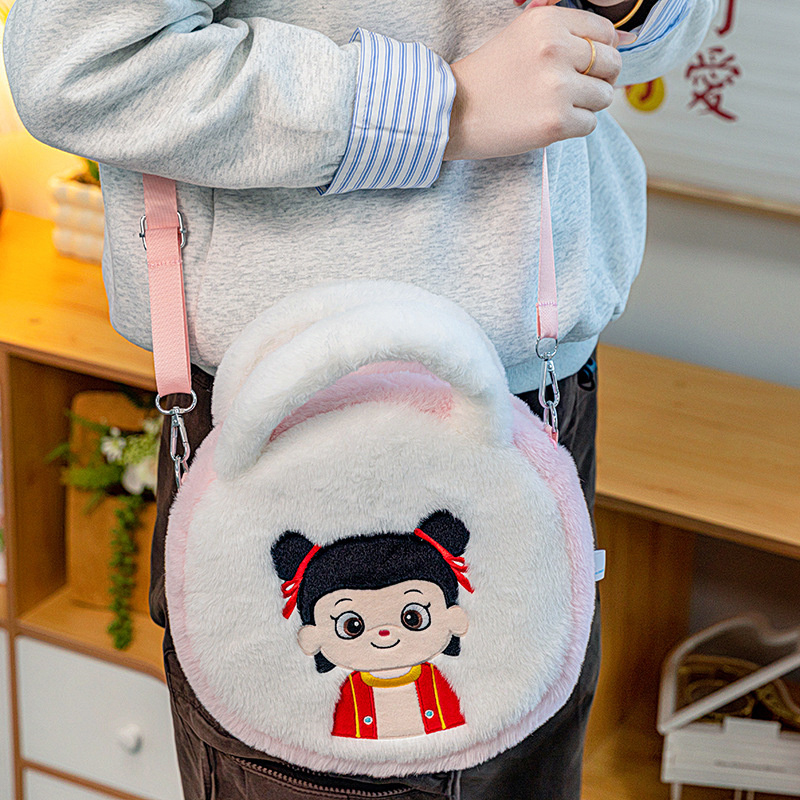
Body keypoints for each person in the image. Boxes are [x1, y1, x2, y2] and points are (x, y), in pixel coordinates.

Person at [3, 0, 716, 796]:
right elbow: (80, 65)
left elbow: (643, 48)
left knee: (527, 746)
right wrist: (442, 107)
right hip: (289, 404)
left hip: (539, 379)